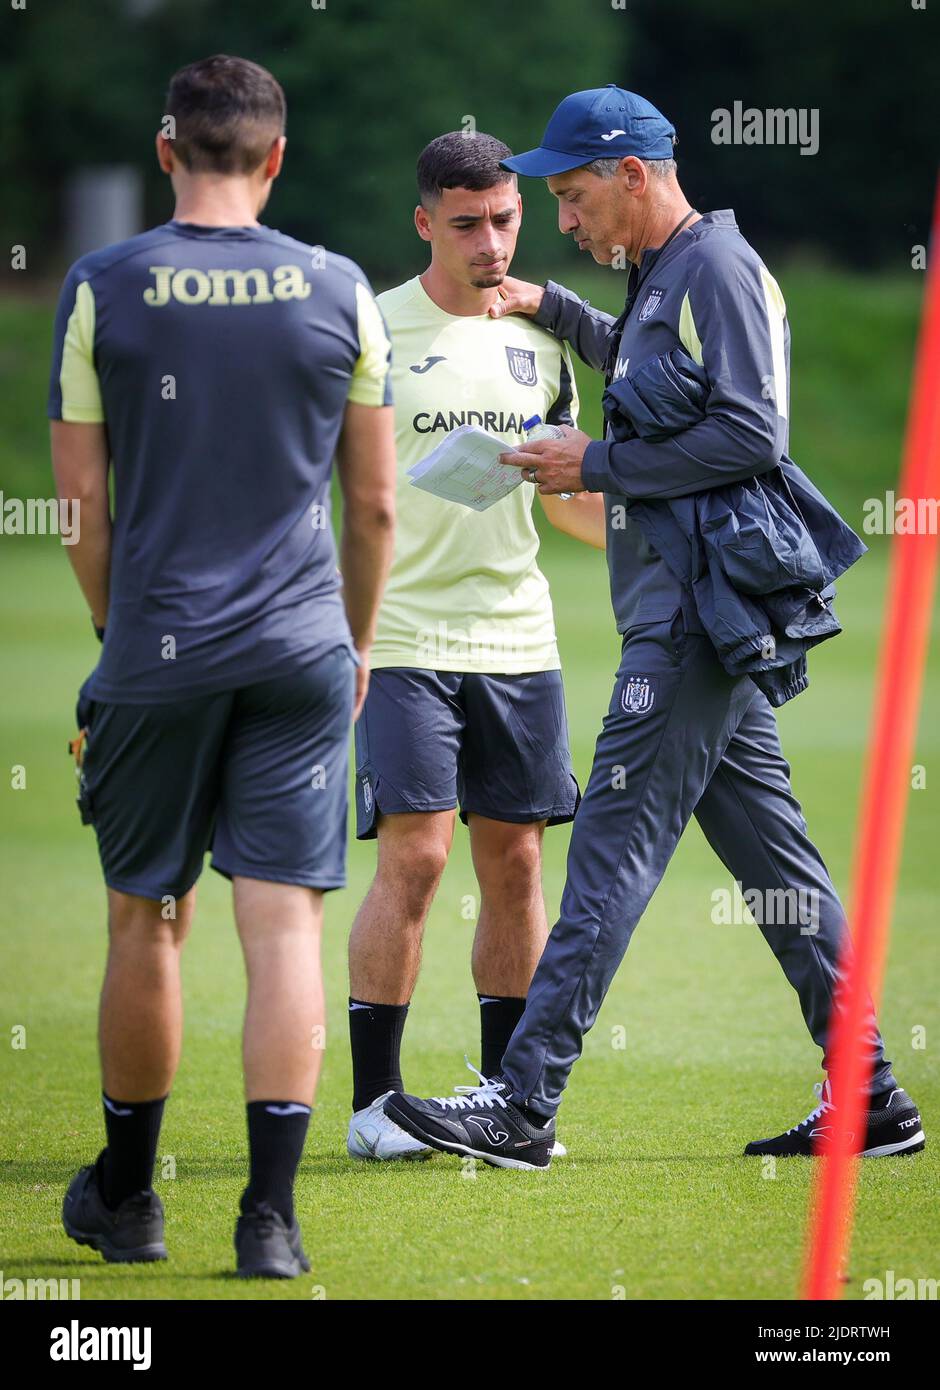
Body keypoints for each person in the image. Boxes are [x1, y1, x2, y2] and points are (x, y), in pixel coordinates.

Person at [383, 86, 924, 1168]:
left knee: (609, 861)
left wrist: (598, 462)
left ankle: (522, 1105)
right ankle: (870, 1094)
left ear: (633, 175)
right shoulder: (661, 270)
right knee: (780, 871)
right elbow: (646, 368)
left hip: (687, 618)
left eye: (575, 198)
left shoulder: (714, 268)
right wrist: (557, 309)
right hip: (697, 616)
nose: (567, 221)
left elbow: (750, 433)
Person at [49, 54, 396, 1273]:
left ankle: (130, 1201)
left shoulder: (104, 284)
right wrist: (353, 645)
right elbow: (374, 512)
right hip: (304, 650)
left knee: (148, 921)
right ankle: (270, 1223)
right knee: (285, 933)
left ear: (166, 149)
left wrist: (115, 637)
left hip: (156, 645)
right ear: (277, 157)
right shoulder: (342, 288)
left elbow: (79, 507)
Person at [345, 131, 606, 1162]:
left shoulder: (544, 341)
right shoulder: (369, 327)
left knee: (518, 863)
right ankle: (374, 1107)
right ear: (424, 223)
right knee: (414, 855)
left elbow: (575, 497)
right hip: (401, 632)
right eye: (466, 225)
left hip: (518, 634)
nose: (490, 241)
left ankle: (504, 1101)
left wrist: (647, 526)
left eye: (504, 220)